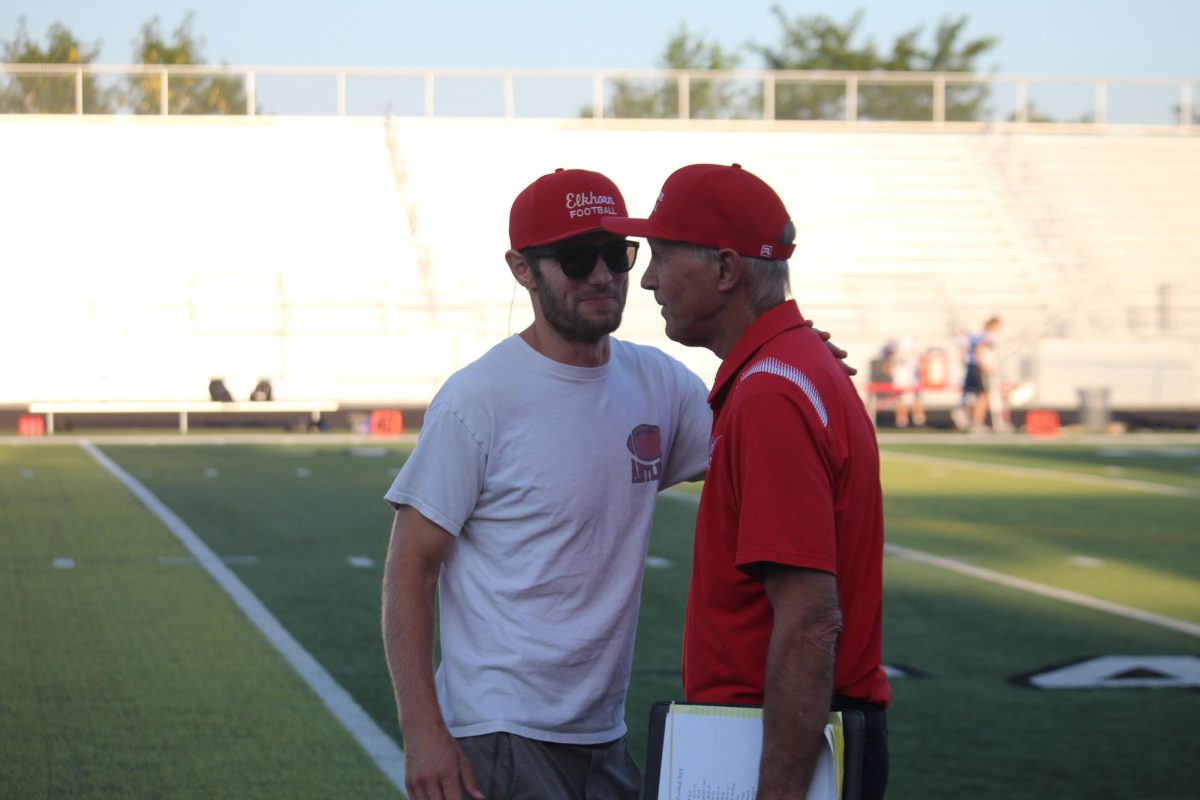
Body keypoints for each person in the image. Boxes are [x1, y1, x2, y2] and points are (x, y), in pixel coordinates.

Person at [380, 167, 713, 800]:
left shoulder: (660, 384)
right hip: (498, 734)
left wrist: (785, 356)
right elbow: (410, 568)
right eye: (575, 257)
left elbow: (751, 445)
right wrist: (423, 731)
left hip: (601, 733)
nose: (601, 275)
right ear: (522, 269)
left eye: (616, 253)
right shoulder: (477, 399)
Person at [602, 163, 892, 799]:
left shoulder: (769, 394)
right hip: (797, 726)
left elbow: (810, 621)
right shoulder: (791, 368)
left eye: (662, 256)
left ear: (727, 271)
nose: (646, 278)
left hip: (774, 738)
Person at [952, 317, 1003, 432]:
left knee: (975, 395)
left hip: (974, 367)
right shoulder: (988, 336)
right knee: (983, 396)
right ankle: (976, 423)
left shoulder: (979, 335)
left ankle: (966, 414)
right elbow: (979, 351)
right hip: (980, 368)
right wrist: (986, 366)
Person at [883, 336, 925, 428]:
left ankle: (918, 421)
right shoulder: (896, 357)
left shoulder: (911, 358)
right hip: (901, 382)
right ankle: (902, 421)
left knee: (914, 400)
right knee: (901, 401)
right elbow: (889, 368)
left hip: (910, 381)